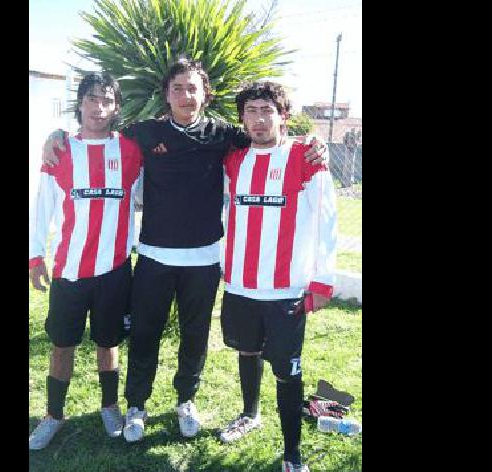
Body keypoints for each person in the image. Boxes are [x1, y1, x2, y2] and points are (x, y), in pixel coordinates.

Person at [42, 58, 327, 443]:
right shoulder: (144, 133)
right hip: (155, 257)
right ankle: (137, 405)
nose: (185, 96)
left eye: (193, 88)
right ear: (167, 95)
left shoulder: (226, 135)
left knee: (194, 337)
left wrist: (314, 143)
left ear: (205, 94)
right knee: (145, 334)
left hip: (204, 259)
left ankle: (185, 401)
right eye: (177, 88)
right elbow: (97, 132)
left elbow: (272, 141)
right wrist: (56, 134)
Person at [216, 81, 337, 472]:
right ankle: (250, 413)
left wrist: (322, 281)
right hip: (240, 285)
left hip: (286, 289)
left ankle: (292, 456)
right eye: (251, 110)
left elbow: (326, 221)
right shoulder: (233, 159)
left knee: (287, 370)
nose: (259, 119)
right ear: (242, 117)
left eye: (267, 110)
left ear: (283, 114)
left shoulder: (305, 156)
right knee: (246, 351)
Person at [28, 72, 143, 450]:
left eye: (107, 100)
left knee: (108, 341)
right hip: (69, 269)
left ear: (116, 107)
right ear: (80, 103)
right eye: (92, 98)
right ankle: (53, 415)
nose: (98, 107)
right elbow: (42, 206)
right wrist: (34, 255)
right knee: (63, 343)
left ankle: (110, 406)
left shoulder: (131, 150)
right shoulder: (60, 150)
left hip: (113, 269)